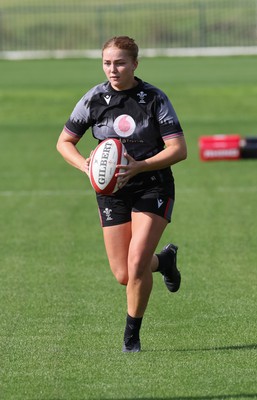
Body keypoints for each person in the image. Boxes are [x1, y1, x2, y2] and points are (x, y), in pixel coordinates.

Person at [56, 36, 187, 353]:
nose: (112, 69)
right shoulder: (94, 99)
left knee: (137, 260)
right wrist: (86, 167)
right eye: (106, 63)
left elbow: (179, 149)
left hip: (152, 184)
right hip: (112, 192)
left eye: (120, 63)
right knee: (124, 274)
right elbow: (64, 142)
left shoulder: (152, 98)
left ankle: (131, 338)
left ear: (135, 64)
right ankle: (165, 261)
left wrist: (139, 166)